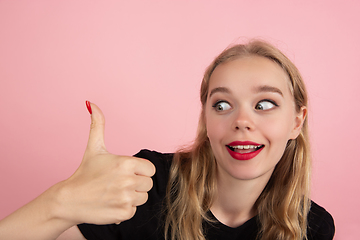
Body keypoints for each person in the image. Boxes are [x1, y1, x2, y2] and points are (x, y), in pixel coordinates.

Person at [0, 40, 335, 240]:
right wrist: (61, 202)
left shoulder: (314, 226)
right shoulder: (146, 184)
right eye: (221, 104)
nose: (242, 121)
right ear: (206, 120)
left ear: (296, 122)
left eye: (264, 104)